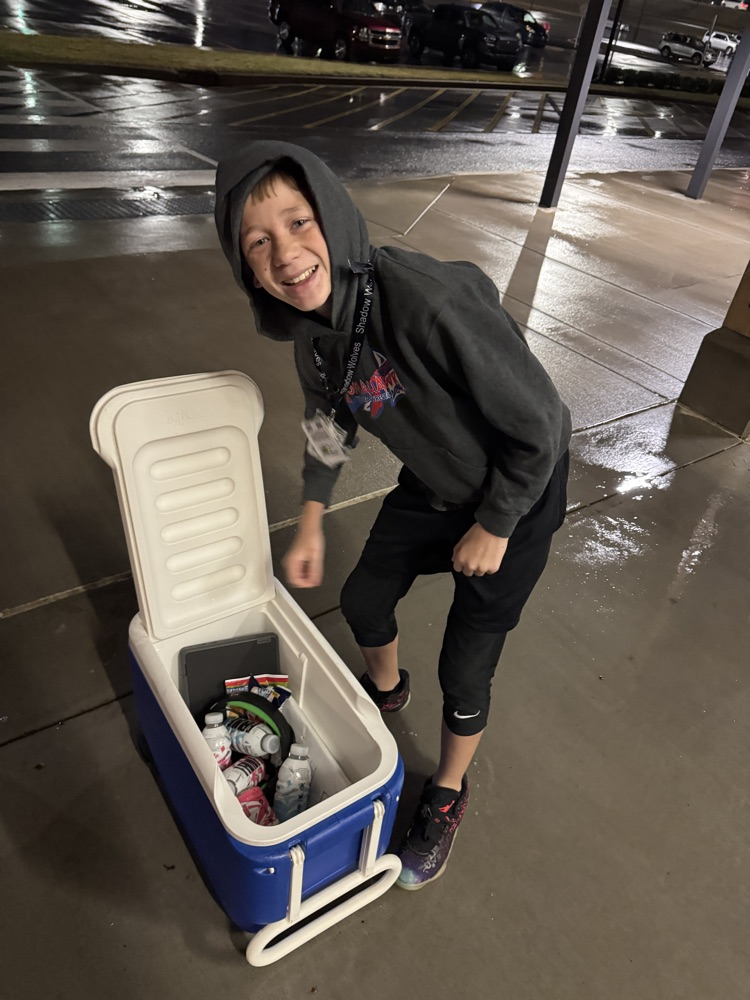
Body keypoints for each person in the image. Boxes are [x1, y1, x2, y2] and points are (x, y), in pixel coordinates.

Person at [215, 140, 571, 891]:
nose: (287, 253)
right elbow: (327, 420)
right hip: (435, 486)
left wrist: (499, 523)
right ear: (246, 266)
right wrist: (312, 513)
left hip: (518, 494)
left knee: (466, 663)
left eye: (300, 222)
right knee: (363, 598)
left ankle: (447, 792)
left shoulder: (426, 301)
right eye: (259, 243)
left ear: (335, 219)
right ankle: (384, 694)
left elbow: (543, 422)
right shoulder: (312, 332)